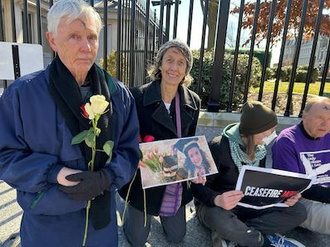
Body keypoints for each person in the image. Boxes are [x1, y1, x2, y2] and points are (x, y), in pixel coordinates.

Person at [0, 0, 139, 246]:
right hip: (48, 225)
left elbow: (129, 150)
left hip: (100, 225)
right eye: (74, 36)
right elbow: (5, 156)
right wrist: (54, 172)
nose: (86, 46)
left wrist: (107, 177)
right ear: (52, 40)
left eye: (92, 37)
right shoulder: (23, 95)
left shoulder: (118, 95)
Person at [118, 39, 204, 246]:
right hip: (144, 178)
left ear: (186, 70)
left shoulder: (193, 102)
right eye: (169, 60)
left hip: (174, 177)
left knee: (177, 236)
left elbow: (189, 142)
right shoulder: (136, 96)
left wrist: (196, 170)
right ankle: (124, 204)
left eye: (181, 62)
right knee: (136, 239)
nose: (174, 67)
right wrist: (134, 154)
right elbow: (124, 136)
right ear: (160, 64)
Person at [191, 101, 306, 247]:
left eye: (274, 130)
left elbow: (260, 183)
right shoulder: (218, 147)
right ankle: (260, 241)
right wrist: (217, 199)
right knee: (217, 218)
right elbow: (196, 188)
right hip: (219, 207)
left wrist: (285, 196)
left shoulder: (260, 149)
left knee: (298, 211)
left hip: (250, 204)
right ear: (253, 131)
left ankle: (236, 235)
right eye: (268, 131)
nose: (272, 135)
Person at [272, 96, 330, 234]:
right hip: (302, 201)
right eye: (320, 118)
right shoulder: (287, 141)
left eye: (329, 119)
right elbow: (295, 186)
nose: (325, 124)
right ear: (304, 116)